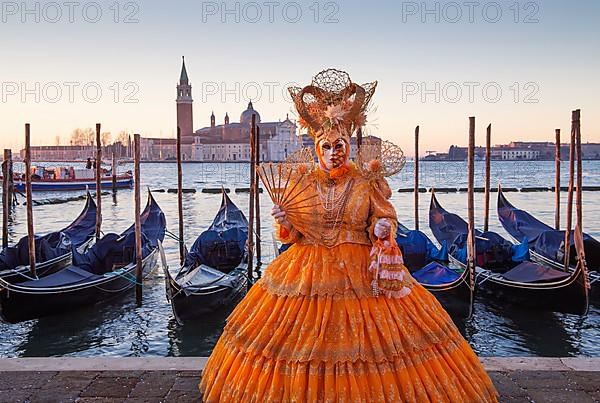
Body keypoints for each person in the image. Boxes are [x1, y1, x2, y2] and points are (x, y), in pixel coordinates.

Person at [199, 69, 498, 402]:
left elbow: (384, 216)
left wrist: (381, 228)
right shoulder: (303, 181)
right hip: (306, 269)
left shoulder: (366, 180)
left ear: (348, 146)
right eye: (325, 146)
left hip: (361, 270)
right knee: (301, 345)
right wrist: (285, 219)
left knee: (379, 348)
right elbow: (292, 235)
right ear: (317, 148)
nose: (333, 152)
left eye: (339, 145)